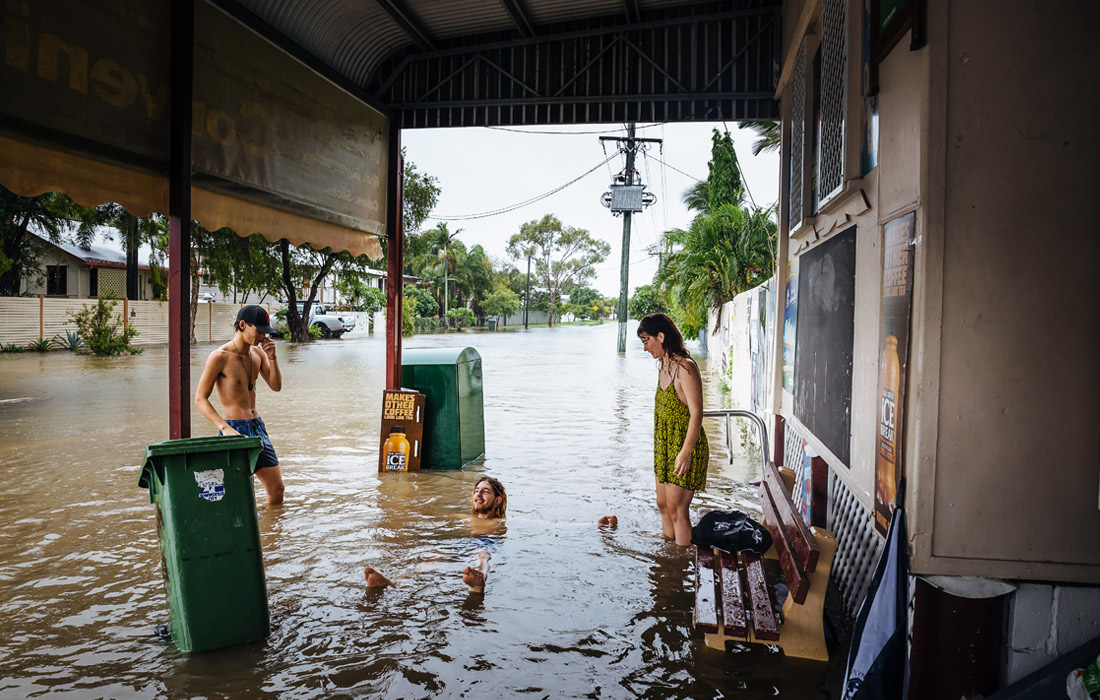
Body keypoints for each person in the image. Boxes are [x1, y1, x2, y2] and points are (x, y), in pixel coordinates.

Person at [364, 477, 617, 593]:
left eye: (485, 491)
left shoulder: (505, 520)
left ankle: (478, 584)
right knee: (432, 555)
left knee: (483, 555)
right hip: (461, 542)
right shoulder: (462, 519)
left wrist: (593, 524)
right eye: (476, 491)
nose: (478, 494)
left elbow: (551, 525)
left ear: (496, 501)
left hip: (488, 542)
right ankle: (395, 582)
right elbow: (423, 518)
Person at [195, 305, 284, 505]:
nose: (263, 336)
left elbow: (276, 386)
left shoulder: (258, 354)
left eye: (265, 331)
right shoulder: (220, 356)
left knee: (277, 490)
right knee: (239, 494)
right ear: (243, 325)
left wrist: (272, 357)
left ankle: (270, 534)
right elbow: (200, 399)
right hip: (233, 429)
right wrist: (224, 428)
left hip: (257, 427)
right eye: (259, 330)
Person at [637, 313, 709, 546]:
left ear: (661, 336)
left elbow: (697, 412)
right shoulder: (664, 366)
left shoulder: (685, 368)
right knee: (663, 505)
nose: (645, 348)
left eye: (646, 340)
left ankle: (682, 564)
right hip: (665, 446)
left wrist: (686, 452)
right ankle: (669, 561)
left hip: (684, 447)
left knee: (678, 510)